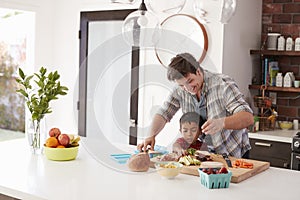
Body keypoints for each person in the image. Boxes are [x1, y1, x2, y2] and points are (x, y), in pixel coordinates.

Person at [137, 52, 254, 158]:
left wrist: (222, 122)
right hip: (205, 154)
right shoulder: (180, 90)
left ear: (198, 71)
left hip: (231, 152)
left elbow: (247, 117)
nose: (188, 89)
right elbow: (164, 113)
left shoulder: (223, 85)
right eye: (182, 85)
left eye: (190, 81)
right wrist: (150, 135)